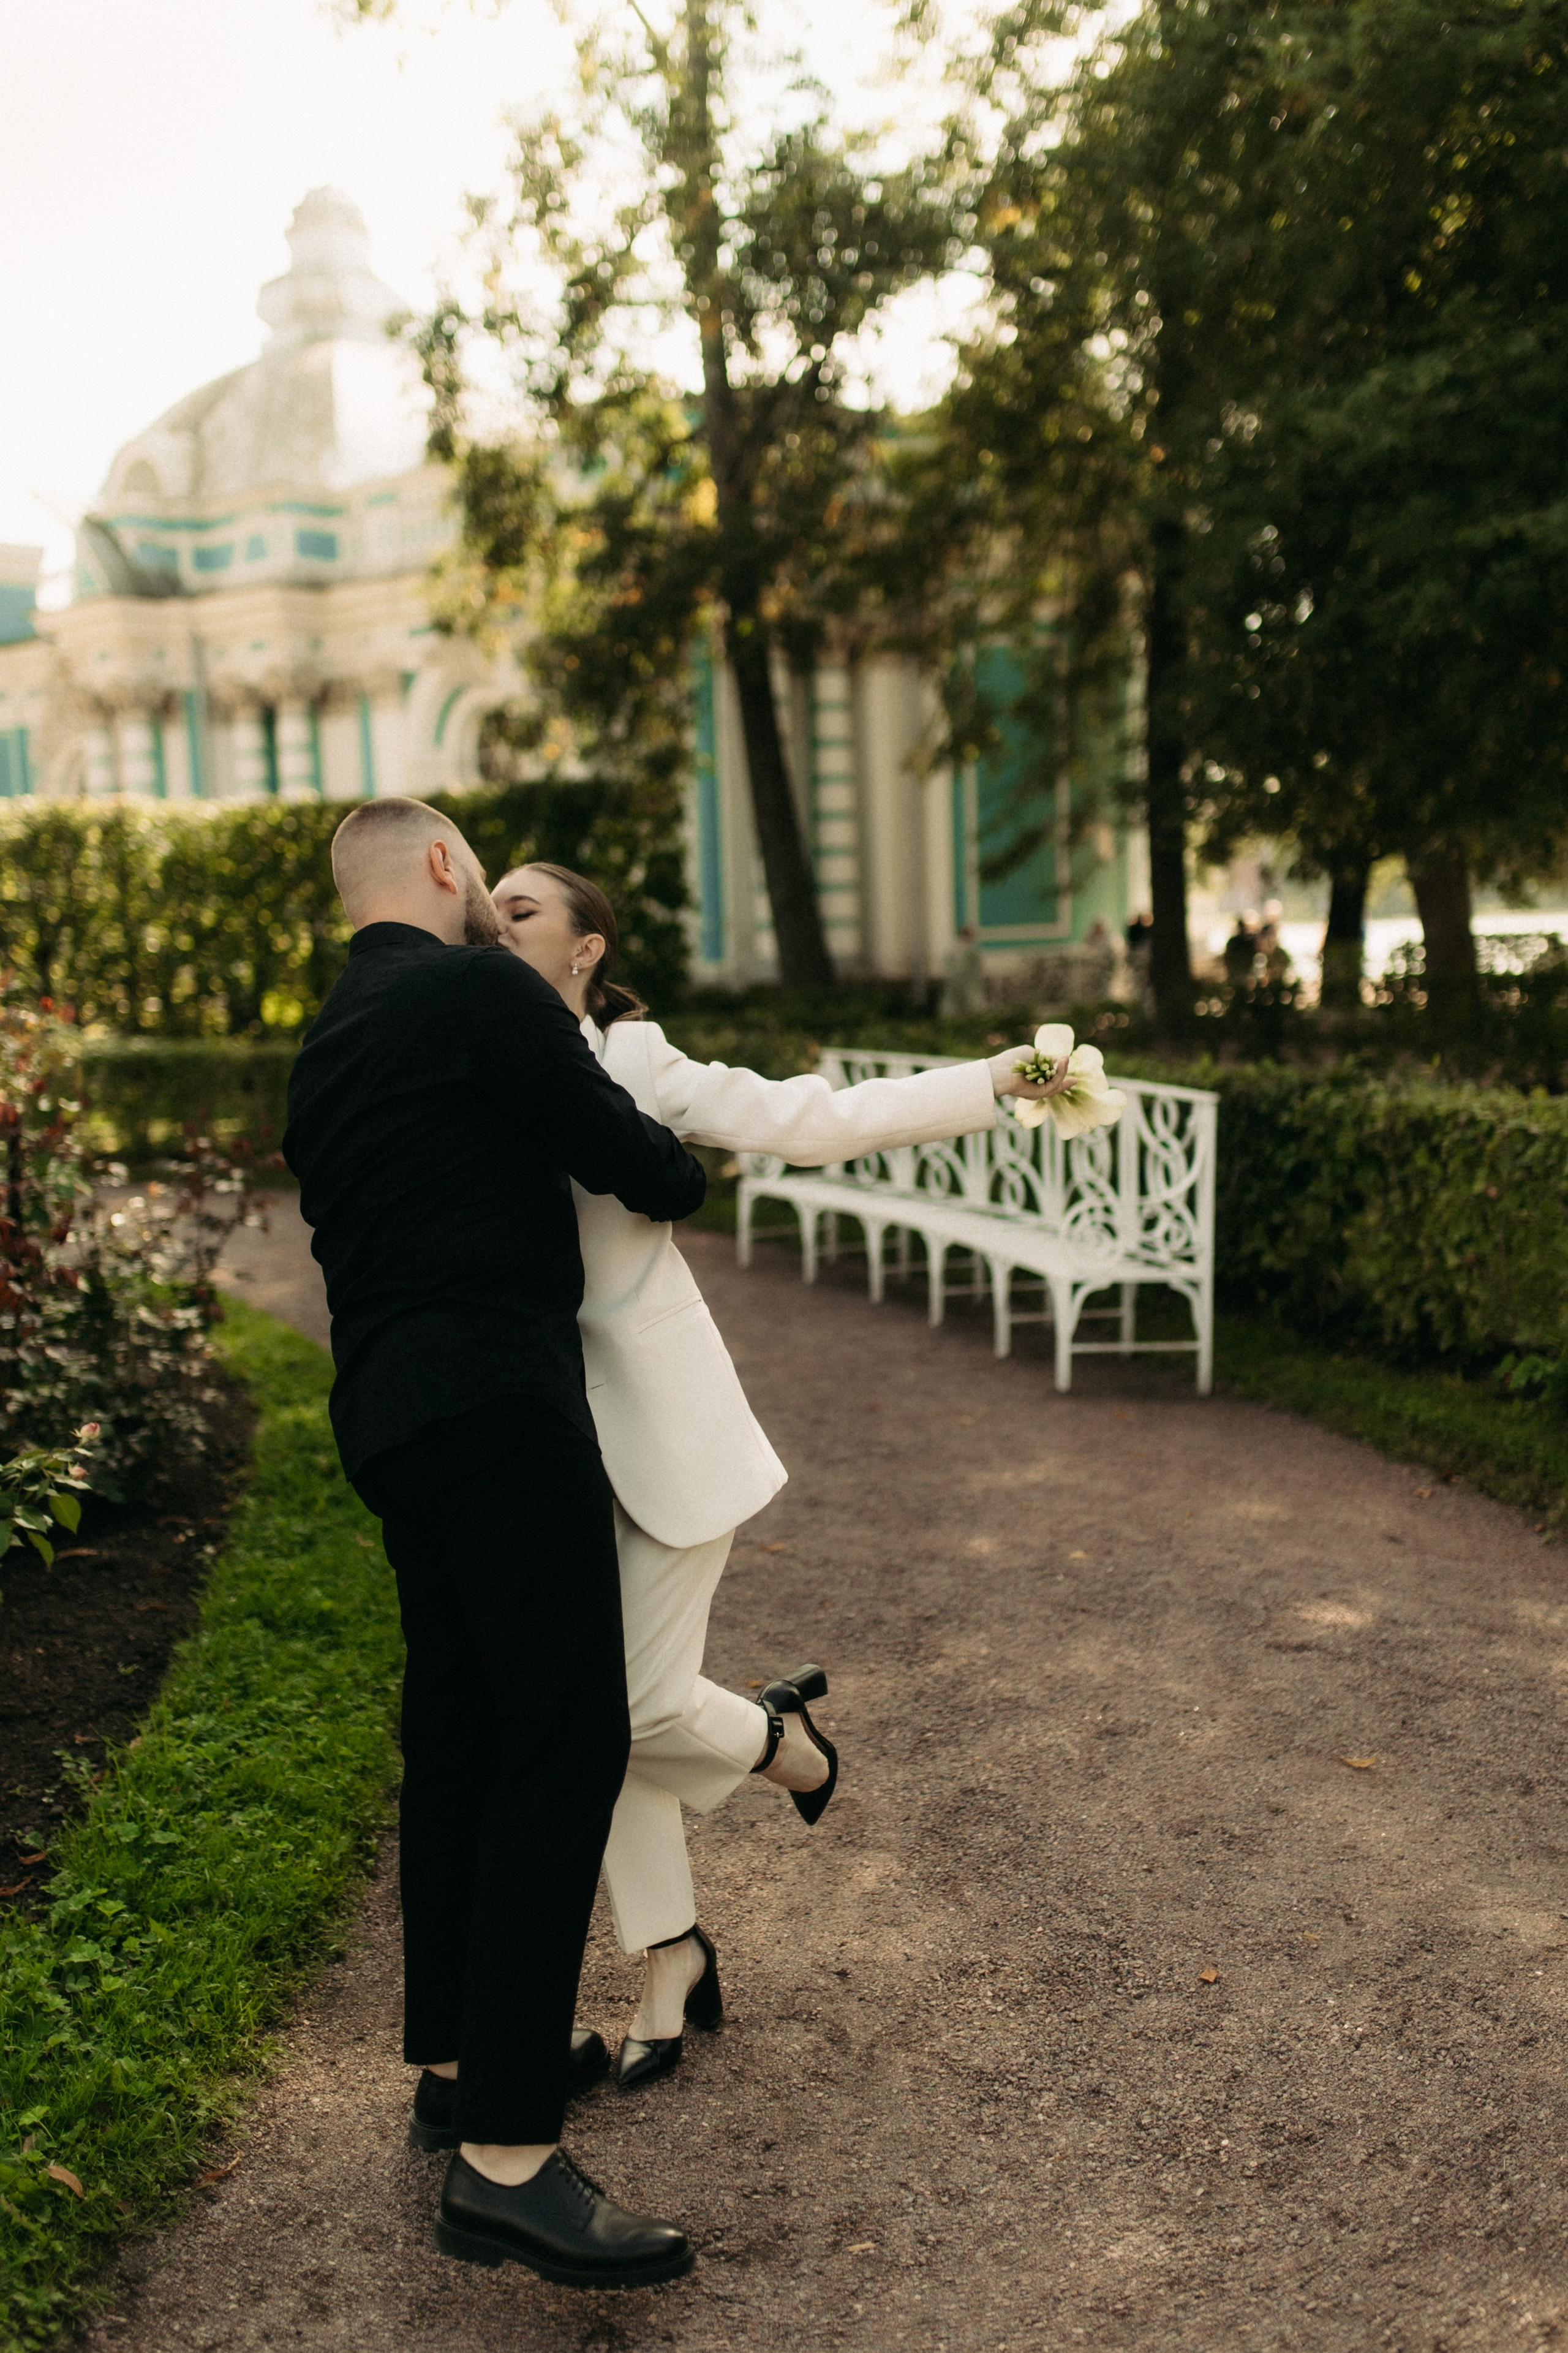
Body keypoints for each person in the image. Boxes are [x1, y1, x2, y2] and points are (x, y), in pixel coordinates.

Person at [491, 862, 1064, 2085]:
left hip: (663, 1427)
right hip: (547, 1445)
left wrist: (991, 1083)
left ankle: (773, 1736)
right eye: (484, 899)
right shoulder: (480, 1055)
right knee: (599, 1721)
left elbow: (811, 1114)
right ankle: (669, 1958)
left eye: (521, 905)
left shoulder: (635, 1065)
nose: (494, 916)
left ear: (587, 950)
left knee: (632, 1711)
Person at [282, 799, 708, 2290]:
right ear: (448, 870)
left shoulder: (329, 1042)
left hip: (389, 1419)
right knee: (565, 1733)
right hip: (498, 1404)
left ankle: (460, 2064)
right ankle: (509, 2163)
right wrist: (676, 1151)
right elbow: (646, 1165)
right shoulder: (476, 990)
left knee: (460, 1729)